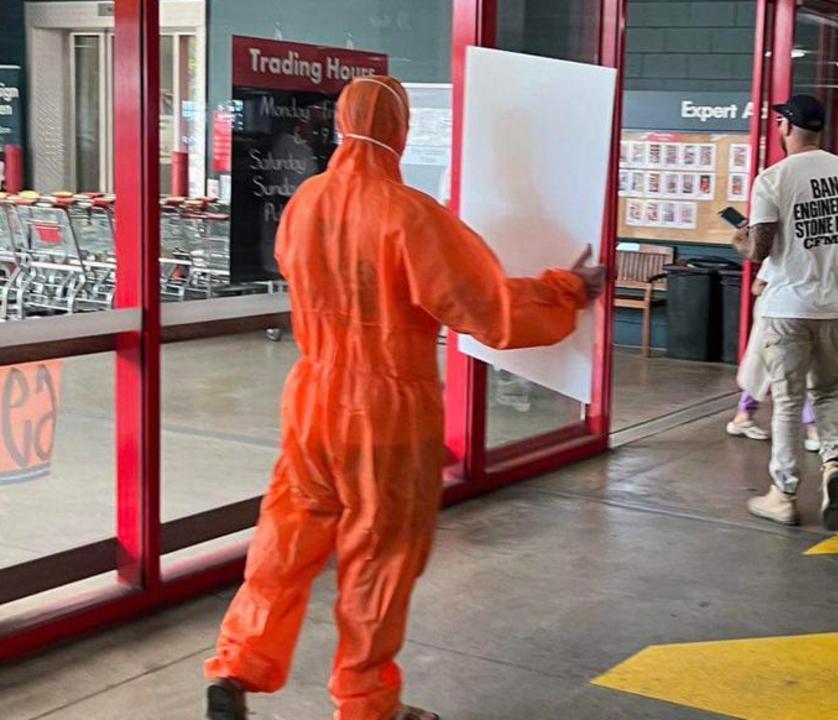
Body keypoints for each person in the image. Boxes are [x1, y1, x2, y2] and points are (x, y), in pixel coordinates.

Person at [203, 76, 605, 720]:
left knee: (286, 536)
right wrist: (567, 289)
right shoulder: (409, 215)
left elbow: (296, 267)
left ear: (340, 124)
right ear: (400, 131)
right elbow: (490, 309)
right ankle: (366, 703)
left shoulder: (306, 201)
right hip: (387, 411)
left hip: (311, 397)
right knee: (380, 558)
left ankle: (237, 667)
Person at [733, 94, 838, 532]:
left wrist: (739, 241)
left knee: (788, 399)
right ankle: (833, 463)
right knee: (829, 391)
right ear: (821, 130)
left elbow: (758, 249)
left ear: (785, 127)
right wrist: (827, 249)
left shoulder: (773, 178)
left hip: (788, 305)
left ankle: (784, 494)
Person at [727, 271, 820, 450]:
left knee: (769, 368)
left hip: (789, 316)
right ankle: (812, 427)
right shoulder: (778, 260)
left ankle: (744, 415)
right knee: (788, 369)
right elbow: (757, 287)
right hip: (777, 318)